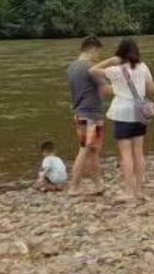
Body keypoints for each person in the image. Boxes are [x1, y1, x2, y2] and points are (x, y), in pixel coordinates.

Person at [92, 38, 154, 202]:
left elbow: (92, 70)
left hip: (122, 114)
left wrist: (112, 60)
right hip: (140, 113)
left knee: (126, 154)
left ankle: (129, 191)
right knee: (139, 153)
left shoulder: (115, 69)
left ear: (120, 53)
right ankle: (139, 190)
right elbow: (152, 90)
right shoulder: (143, 67)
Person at [66, 35, 107, 196]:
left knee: (93, 150)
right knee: (85, 149)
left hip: (82, 112)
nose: (98, 57)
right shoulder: (90, 68)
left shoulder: (72, 67)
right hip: (90, 113)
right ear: (92, 49)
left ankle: (98, 184)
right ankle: (74, 186)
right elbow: (105, 89)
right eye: (98, 53)